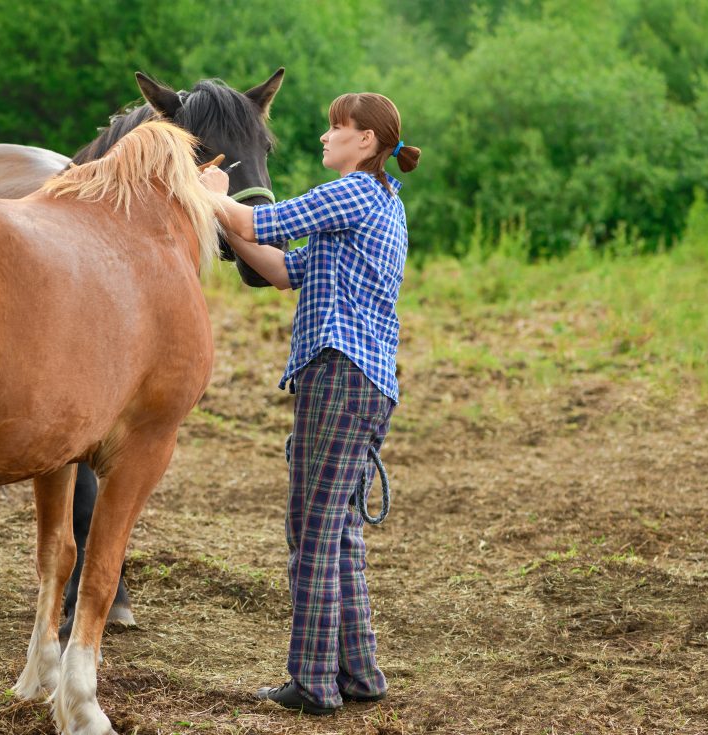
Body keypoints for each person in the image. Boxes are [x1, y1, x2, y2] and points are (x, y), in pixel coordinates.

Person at [199, 92, 420, 716]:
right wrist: (225, 220)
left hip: (339, 375)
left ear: (368, 142)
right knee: (337, 530)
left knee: (314, 530)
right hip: (363, 380)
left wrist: (212, 189)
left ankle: (314, 685)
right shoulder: (381, 202)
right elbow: (281, 270)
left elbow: (256, 223)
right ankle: (359, 674)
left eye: (337, 128)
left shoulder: (351, 193)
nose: (325, 138)